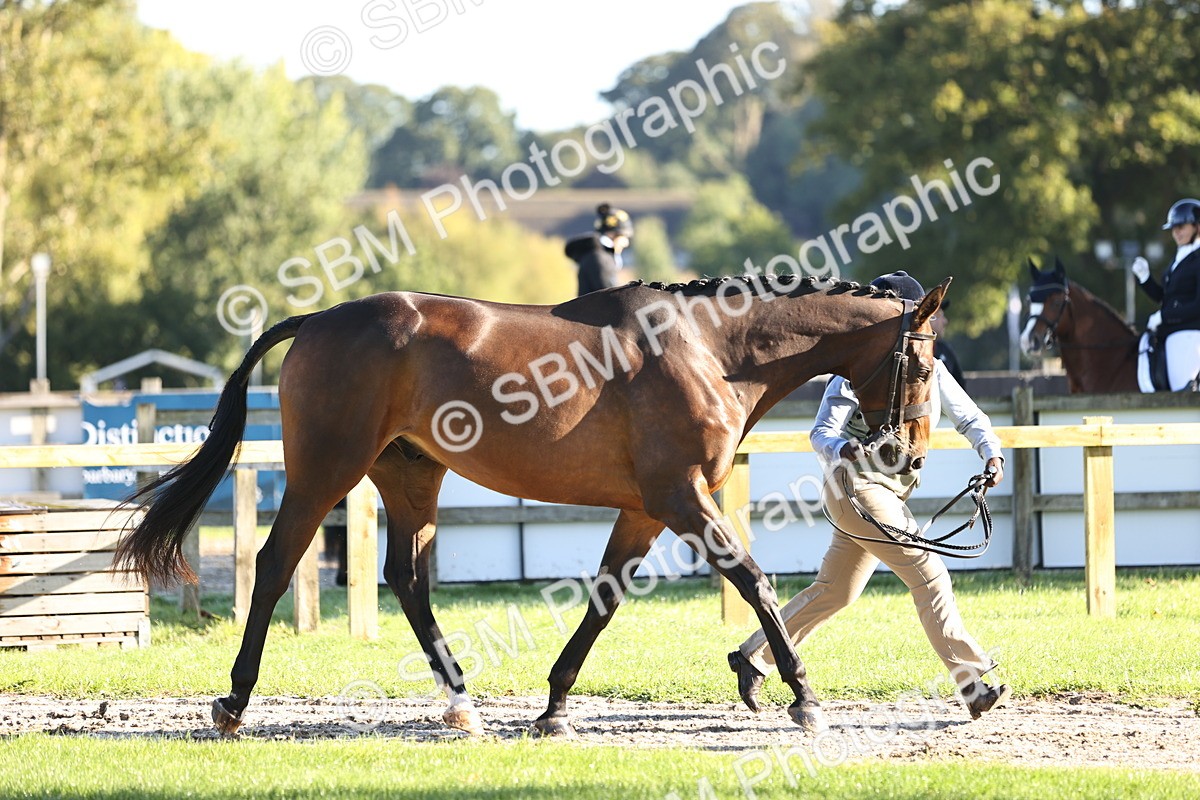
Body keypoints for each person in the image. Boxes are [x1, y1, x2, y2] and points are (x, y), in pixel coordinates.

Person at [726, 271, 1011, 721]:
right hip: (855, 488)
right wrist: (847, 448)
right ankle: (972, 683)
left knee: (835, 591)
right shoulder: (857, 372)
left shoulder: (929, 367)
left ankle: (753, 656)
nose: (926, 328)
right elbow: (821, 434)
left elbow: (970, 417)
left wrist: (992, 455)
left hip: (889, 494)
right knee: (929, 574)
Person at [1131, 198, 1200, 392]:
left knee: (1182, 392)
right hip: (1171, 333)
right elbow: (1166, 298)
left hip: (1190, 334)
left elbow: (1197, 306)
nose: (1176, 232)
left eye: (1181, 226)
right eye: (1173, 228)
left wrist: (1164, 316)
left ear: (1197, 226)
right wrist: (1145, 279)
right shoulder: (1178, 259)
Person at [565, 203, 633, 296]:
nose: (626, 243)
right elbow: (610, 297)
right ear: (614, 234)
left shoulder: (599, 255)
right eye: (624, 236)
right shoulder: (600, 258)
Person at [930, 297, 966, 387]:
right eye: (939, 316)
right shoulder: (911, 350)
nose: (945, 321)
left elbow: (960, 387)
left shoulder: (945, 349)